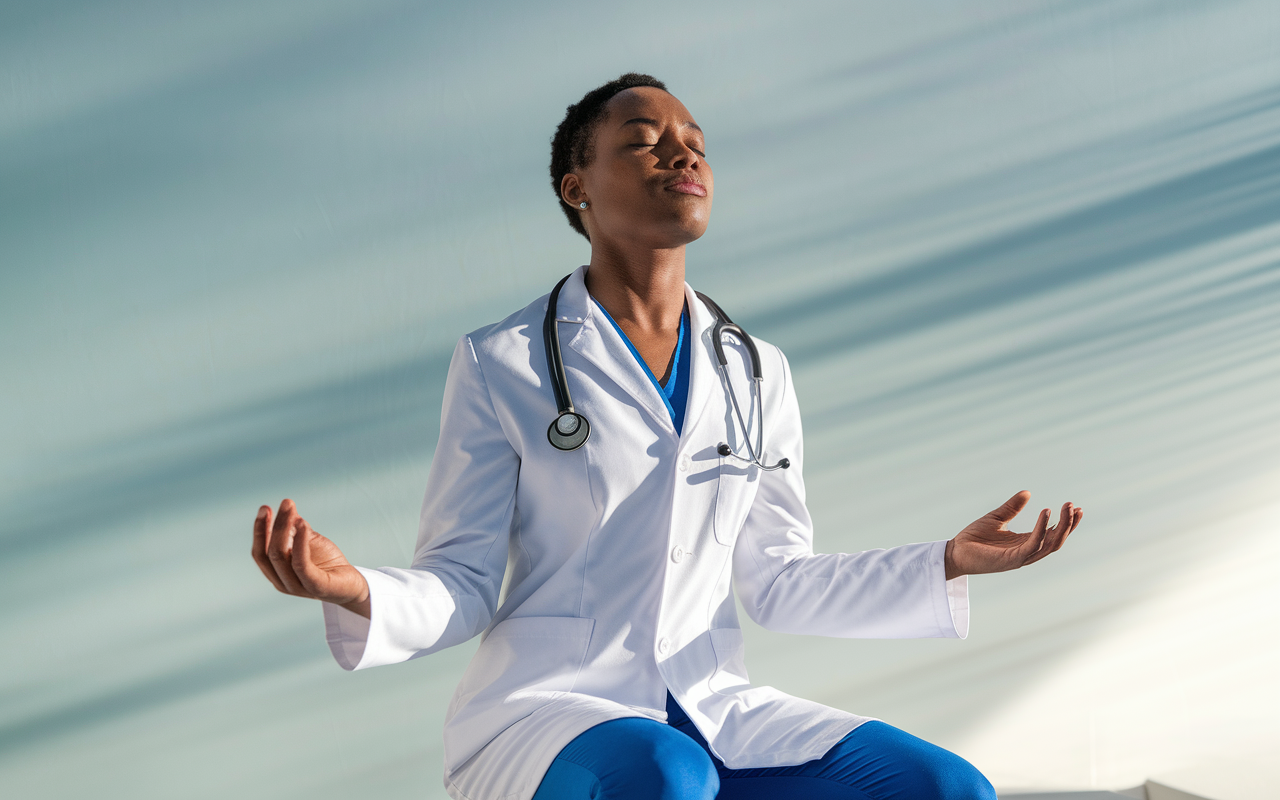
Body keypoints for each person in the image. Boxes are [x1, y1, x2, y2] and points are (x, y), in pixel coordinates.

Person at [251, 73, 1083, 800]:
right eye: (645, 143)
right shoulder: (501, 362)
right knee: (665, 774)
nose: (682, 157)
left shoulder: (759, 371)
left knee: (947, 788)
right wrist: (358, 589)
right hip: (550, 711)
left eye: (695, 144)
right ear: (577, 188)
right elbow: (464, 583)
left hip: (711, 702)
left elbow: (779, 581)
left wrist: (943, 562)